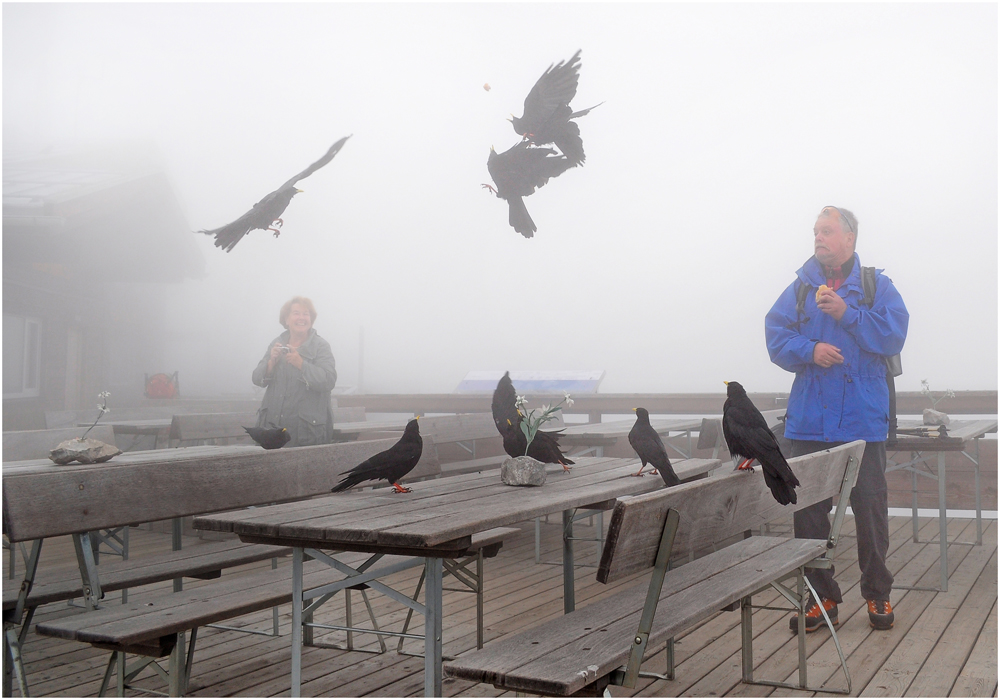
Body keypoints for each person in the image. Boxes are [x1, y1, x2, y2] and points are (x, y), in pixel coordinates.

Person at [764, 206, 908, 633]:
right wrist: (810, 350)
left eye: (826, 231)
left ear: (849, 238)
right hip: (810, 421)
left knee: (871, 509)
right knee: (808, 513)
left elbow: (893, 334)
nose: (818, 238)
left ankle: (878, 594)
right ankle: (820, 598)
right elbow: (775, 335)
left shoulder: (876, 285)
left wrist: (847, 313)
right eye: (815, 231)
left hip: (864, 421)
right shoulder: (800, 287)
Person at [252, 296, 337, 447]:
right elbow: (256, 378)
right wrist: (271, 363)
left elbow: (328, 380)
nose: (301, 318)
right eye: (296, 313)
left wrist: (302, 365)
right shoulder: (276, 343)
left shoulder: (321, 346)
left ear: (311, 319)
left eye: (306, 313)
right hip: (271, 431)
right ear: (286, 319)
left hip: (306, 434)